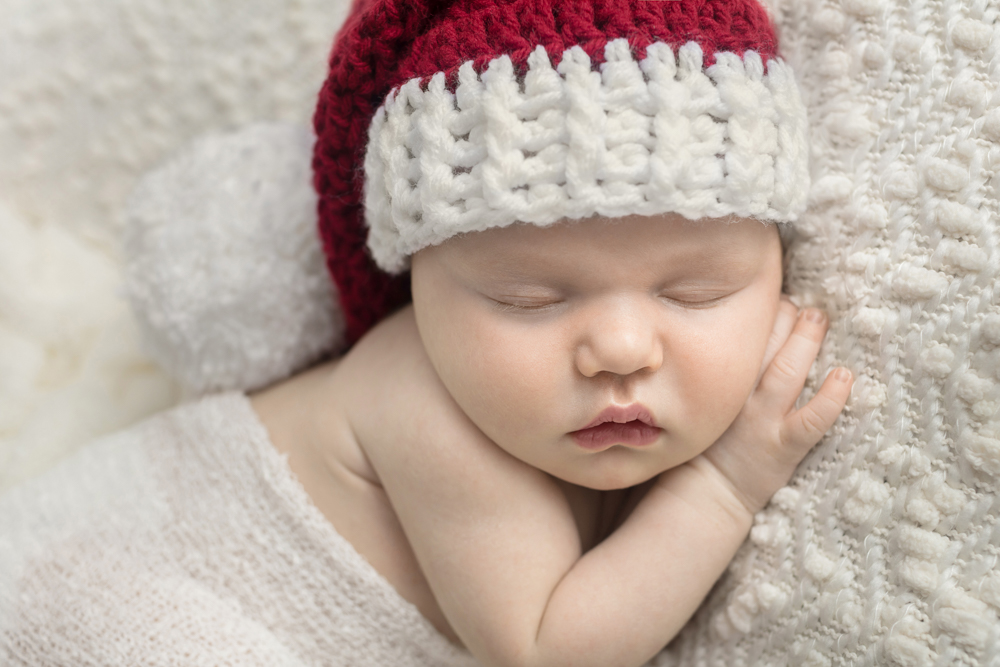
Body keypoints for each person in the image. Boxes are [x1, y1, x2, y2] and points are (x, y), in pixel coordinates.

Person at [0, 1, 852, 666]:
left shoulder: (526, 397)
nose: (623, 348)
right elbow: (551, 642)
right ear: (415, 284)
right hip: (74, 586)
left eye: (698, 292)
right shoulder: (430, 408)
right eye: (526, 298)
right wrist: (725, 482)